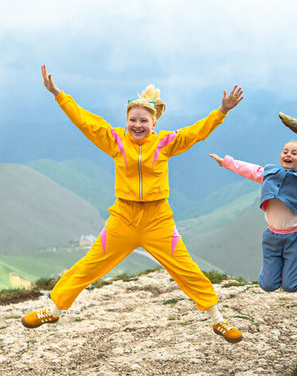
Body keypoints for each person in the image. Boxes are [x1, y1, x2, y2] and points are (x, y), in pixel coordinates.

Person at [22, 66, 246, 343]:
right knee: (90, 265)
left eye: (143, 121)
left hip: (157, 218)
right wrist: (58, 94)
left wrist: (221, 111)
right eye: (133, 120)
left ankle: (218, 319)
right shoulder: (114, 139)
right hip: (123, 218)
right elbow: (85, 122)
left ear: (154, 122)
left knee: (185, 268)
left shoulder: (166, 143)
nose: (137, 125)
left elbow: (196, 133)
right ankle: (53, 309)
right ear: (126, 120)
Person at [208, 140, 297, 292]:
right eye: (285, 152)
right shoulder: (270, 174)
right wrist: (225, 162)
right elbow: (249, 169)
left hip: (295, 238)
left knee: (291, 286)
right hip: (272, 236)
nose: (288, 155)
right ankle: (290, 269)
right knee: (268, 285)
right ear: (280, 156)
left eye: (294, 153)